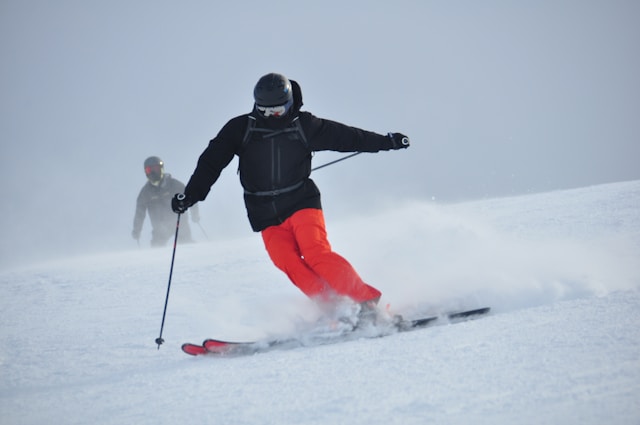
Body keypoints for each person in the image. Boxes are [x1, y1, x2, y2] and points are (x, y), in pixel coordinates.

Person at [171, 73, 409, 318]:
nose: (272, 115)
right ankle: (334, 308)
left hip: (301, 202)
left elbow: (348, 136)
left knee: (316, 253)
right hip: (264, 212)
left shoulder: (304, 125)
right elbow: (212, 161)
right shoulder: (241, 128)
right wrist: (191, 195)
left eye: (278, 110)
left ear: (289, 102)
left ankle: (367, 302)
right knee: (287, 262)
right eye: (266, 111)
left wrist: (387, 141)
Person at [132, 156, 199, 247]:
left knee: (186, 244)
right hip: (159, 229)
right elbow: (140, 213)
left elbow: (190, 197)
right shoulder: (145, 193)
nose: (152, 172)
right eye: (149, 170)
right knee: (156, 248)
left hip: (179, 224)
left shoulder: (175, 185)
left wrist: (195, 214)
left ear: (161, 169)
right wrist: (137, 230)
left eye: (155, 168)